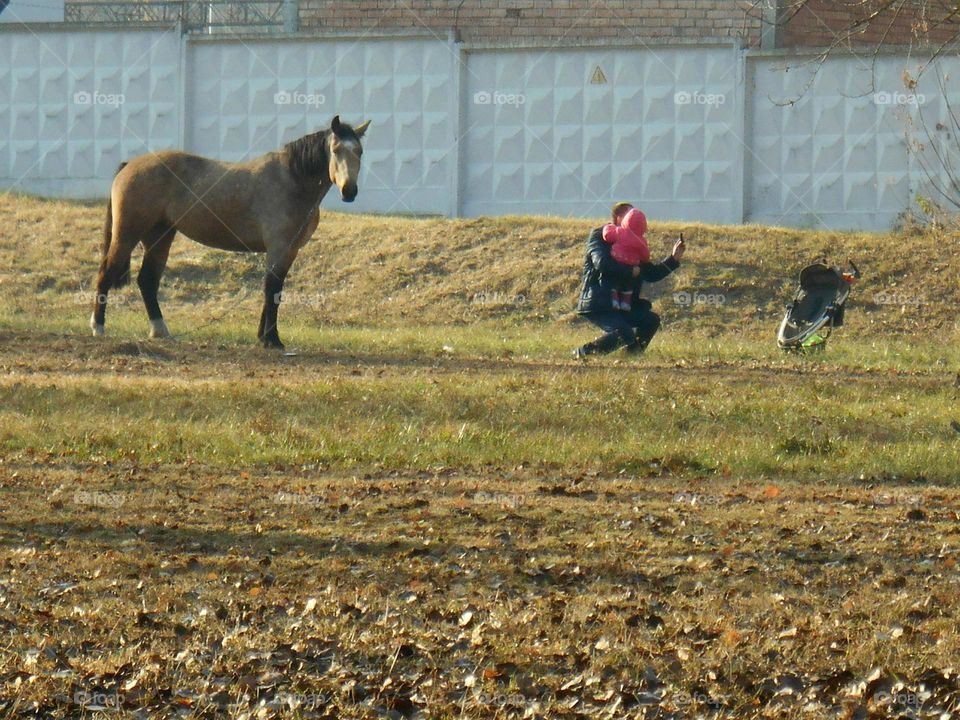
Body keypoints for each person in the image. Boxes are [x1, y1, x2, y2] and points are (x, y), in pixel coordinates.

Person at [575, 202, 685, 357]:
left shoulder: (634, 244)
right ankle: (584, 353)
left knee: (650, 321)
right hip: (600, 301)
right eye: (629, 216)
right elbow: (601, 263)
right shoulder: (600, 236)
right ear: (619, 218)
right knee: (624, 333)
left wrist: (674, 259)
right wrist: (629, 271)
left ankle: (632, 357)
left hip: (623, 304)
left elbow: (650, 273)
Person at [602, 206, 650, 310]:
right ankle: (626, 303)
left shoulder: (620, 231)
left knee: (615, 282)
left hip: (617, 258)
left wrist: (608, 226)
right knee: (628, 283)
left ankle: (614, 300)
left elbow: (607, 235)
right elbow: (645, 255)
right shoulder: (641, 241)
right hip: (632, 264)